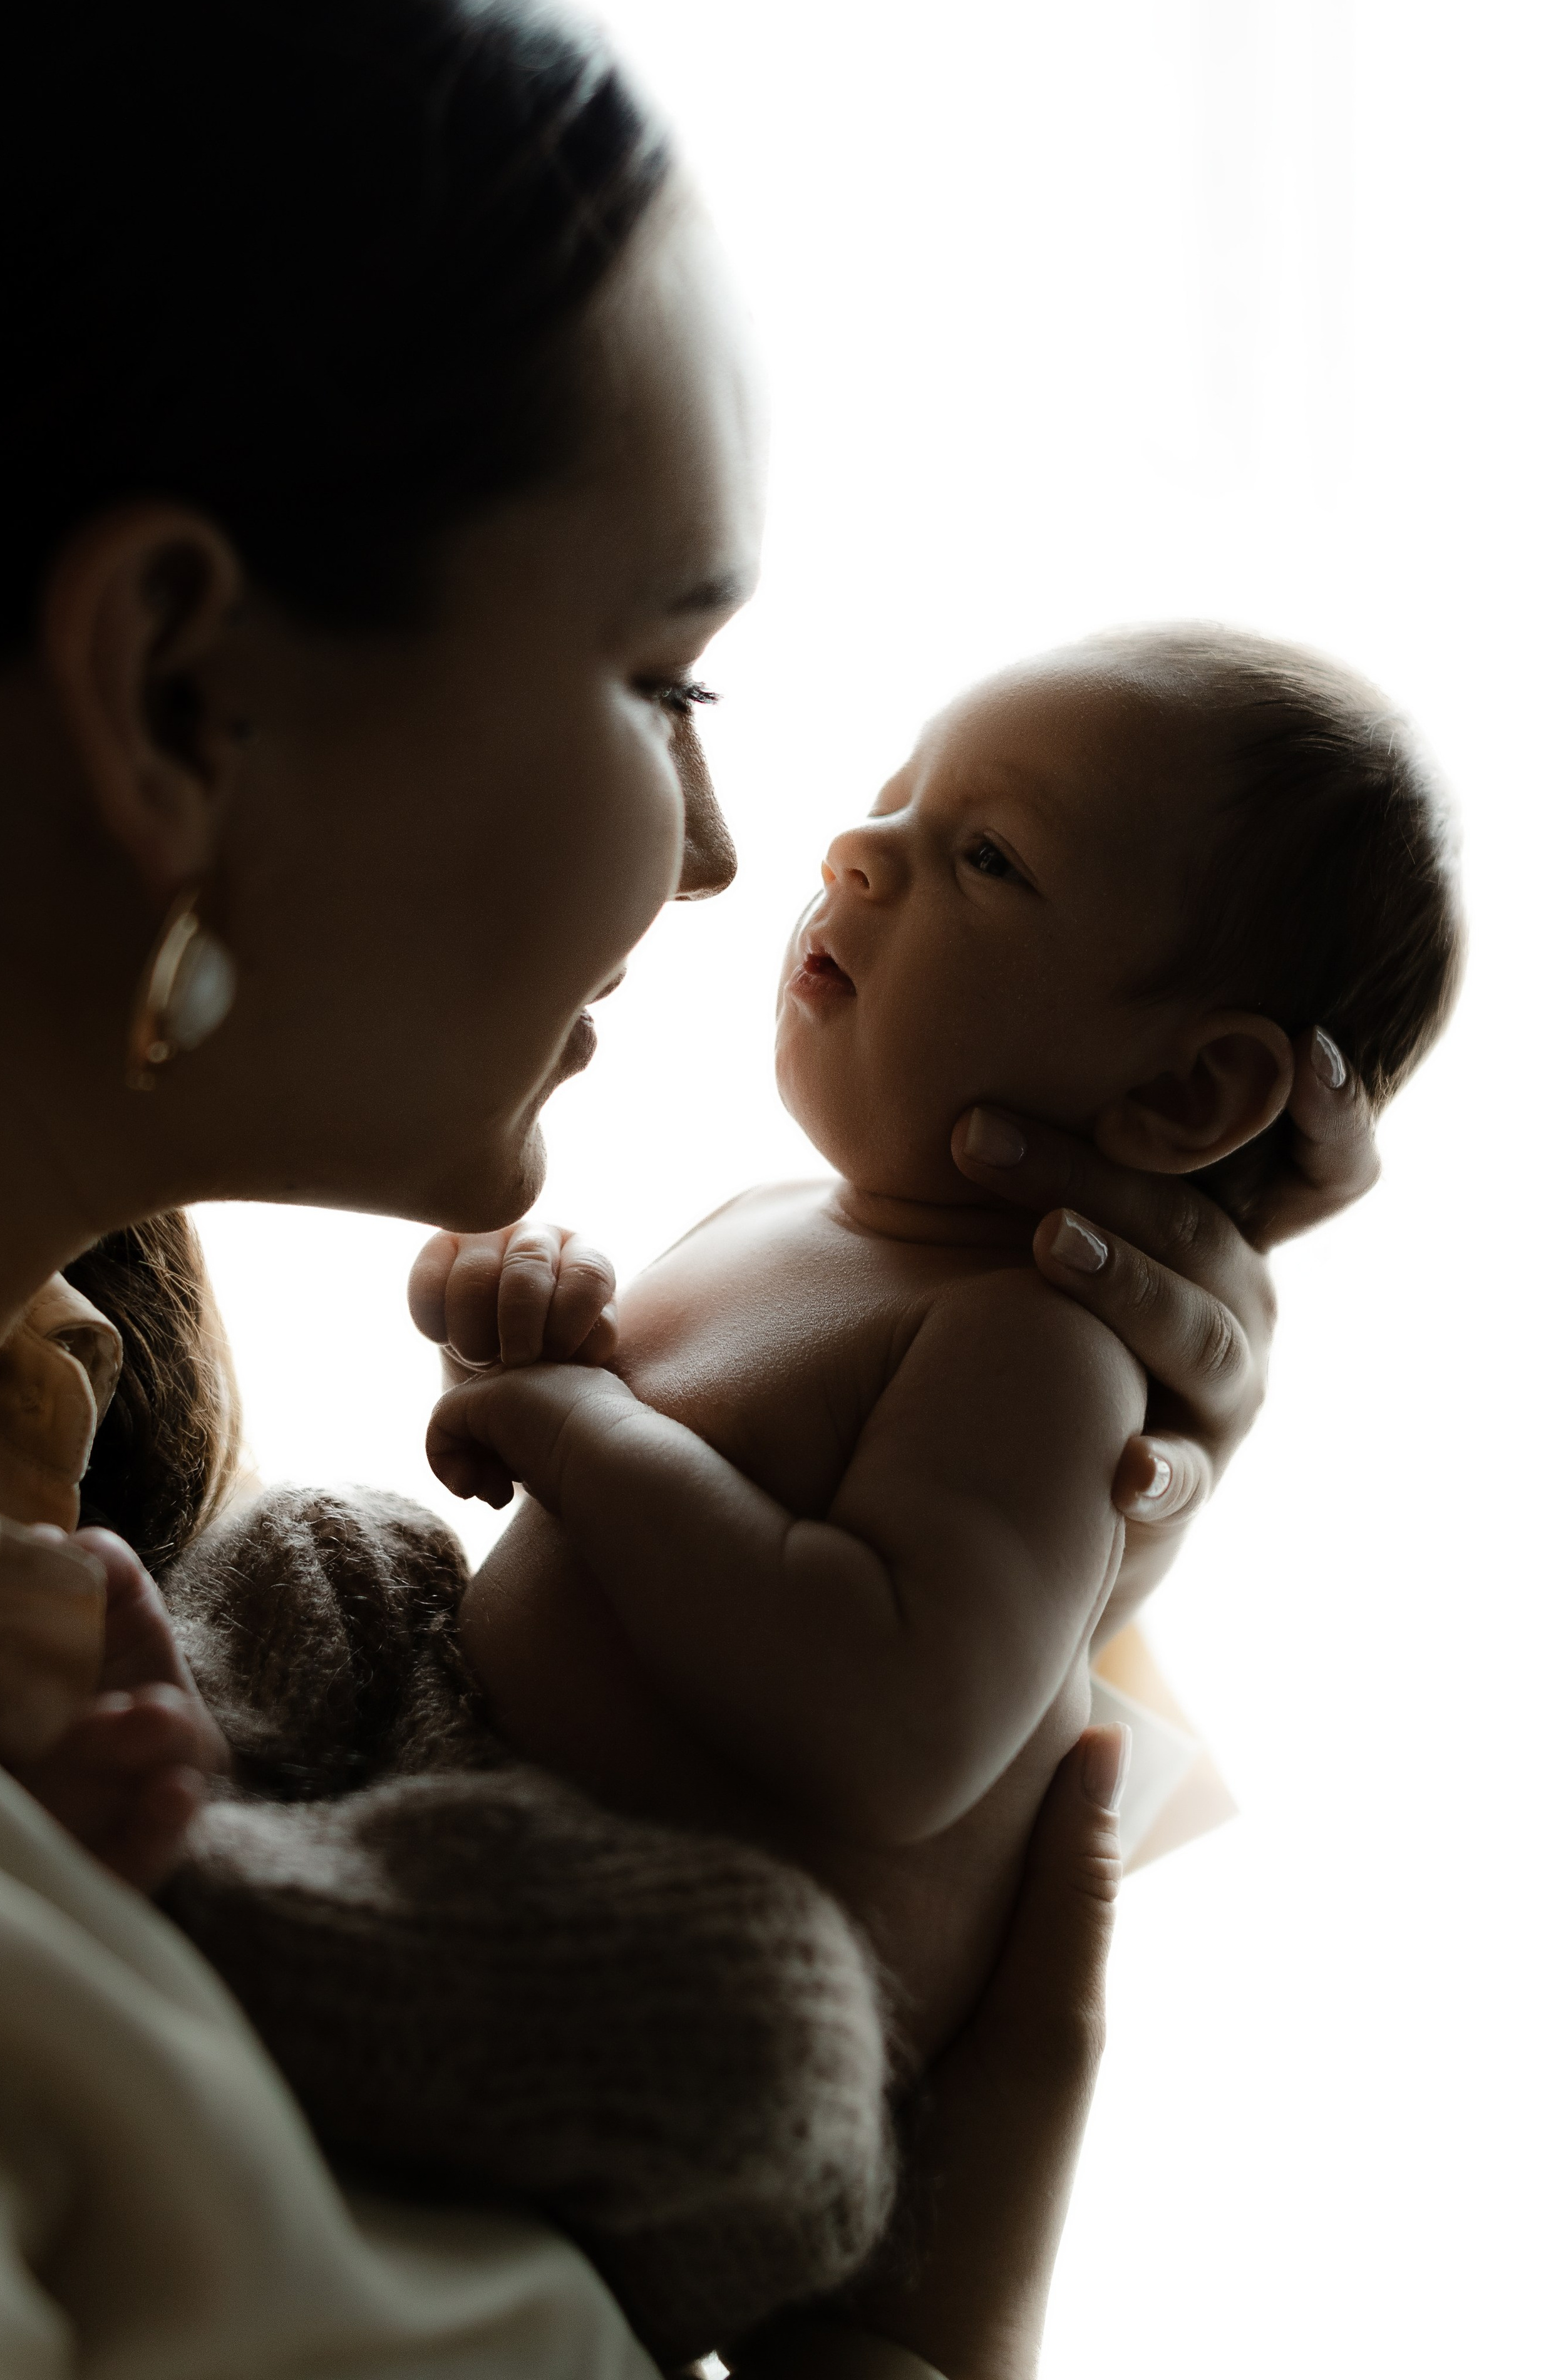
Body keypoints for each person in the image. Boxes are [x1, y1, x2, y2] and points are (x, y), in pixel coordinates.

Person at [0, 0, 1379, 2372]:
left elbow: (869, 1725)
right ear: (185, 696)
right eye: (669, 680)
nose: (734, 857)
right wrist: (942, 2325)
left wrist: (1056, 1469)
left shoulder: (73, 1468)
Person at [413, 623, 1460, 2093]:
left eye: (988, 858)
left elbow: (896, 1727)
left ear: (1191, 1084)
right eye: (891, 798)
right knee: (345, 1558)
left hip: (650, 2014)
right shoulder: (774, 1220)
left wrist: (575, 1425)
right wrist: (509, 1325)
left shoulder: (1033, 1348)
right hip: (462, 1832)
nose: (851, 848)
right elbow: (573, 1470)